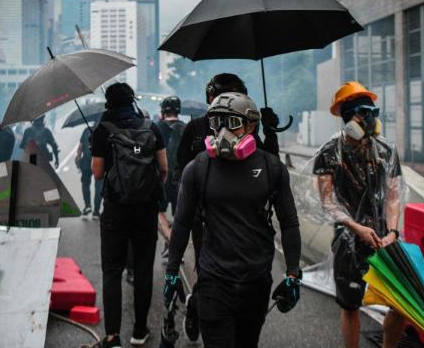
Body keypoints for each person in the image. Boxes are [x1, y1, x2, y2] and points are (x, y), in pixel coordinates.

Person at [164, 92, 302, 348]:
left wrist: (293, 273)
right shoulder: (198, 168)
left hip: (257, 281)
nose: (222, 130)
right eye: (216, 122)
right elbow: (182, 222)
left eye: (232, 122)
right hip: (214, 282)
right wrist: (172, 271)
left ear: (251, 125)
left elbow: (289, 222)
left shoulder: (272, 168)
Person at [313, 81, 405, 348]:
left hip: (384, 240)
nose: (369, 120)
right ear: (348, 117)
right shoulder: (329, 152)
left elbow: (393, 196)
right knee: (351, 305)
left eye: (372, 114)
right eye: (362, 114)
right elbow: (327, 202)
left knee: (400, 305)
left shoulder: (386, 150)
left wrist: (392, 232)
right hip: (348, 239)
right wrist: (356, 228)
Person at [90, 82, 168, 348]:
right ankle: (139, 330)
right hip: (145, 210)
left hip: (115, 209)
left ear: (108, 103)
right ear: (132, 101)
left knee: (112, 271)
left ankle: (112, 337)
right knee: (144, 270)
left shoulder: (102, 130)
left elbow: (98, 173)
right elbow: (164, 168)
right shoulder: (150, 127)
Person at [156, 95, 185, 254]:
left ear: (163, 111)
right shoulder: (187, 128)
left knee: (158, 212)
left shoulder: (156, 128)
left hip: (162, 178)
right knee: (179, 216)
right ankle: (174, 242)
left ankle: (170, 240)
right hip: (183, 180)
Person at [76, 121, 102, 217]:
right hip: (99, 162)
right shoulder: (105, 131)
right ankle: (96, 210)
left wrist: (78, 158)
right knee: (99, 186)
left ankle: (87, 205)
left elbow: (80, 147)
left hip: (86, 162)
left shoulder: (86, 130)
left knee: (85, 184)